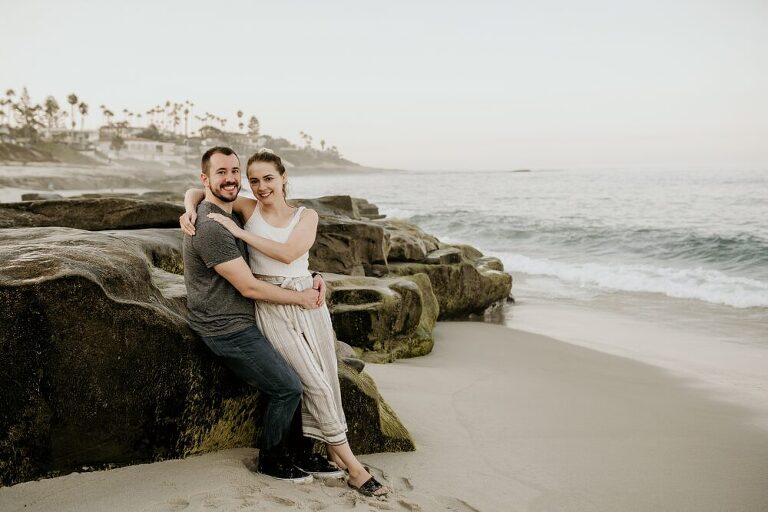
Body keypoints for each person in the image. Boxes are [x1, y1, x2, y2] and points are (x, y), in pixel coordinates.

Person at [180, 149, 390, 498]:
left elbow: (292, 255)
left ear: (283, 178)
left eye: (266, 178)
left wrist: (312, 279)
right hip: (262, 308)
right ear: (208, 177)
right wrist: (191, 209)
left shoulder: (287, 215)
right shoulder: (227, 219)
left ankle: (310, 453)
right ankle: (349, 466)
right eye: (254, 179)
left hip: (303, 299)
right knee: (300, 385)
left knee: (325, 380)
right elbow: (248, 282)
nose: (259, 186)